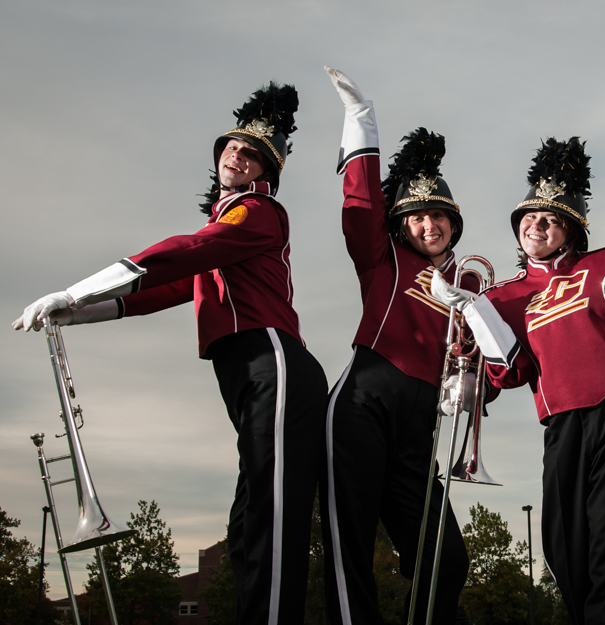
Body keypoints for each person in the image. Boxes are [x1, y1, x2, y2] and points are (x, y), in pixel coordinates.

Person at [12, 83, 329, 623]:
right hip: (250, 375)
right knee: (247, 529)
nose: (237, 153)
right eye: (231, 145)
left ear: (264, 173)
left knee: (272, 521)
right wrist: (77, 311)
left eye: (251, 153)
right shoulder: (225, 226)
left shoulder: (258, 212)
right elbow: (167, 288)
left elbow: (185, 252)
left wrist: (77, 287)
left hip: (273, 362)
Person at [432, 137, 605, 625]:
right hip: (562, 427)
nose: (536, 225)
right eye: (528, 218)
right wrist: (473, 309)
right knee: (564, 553)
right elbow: (511, 372)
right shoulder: (504, 296)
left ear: (572, 230)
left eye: (550, 219)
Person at [322, 67, 470, 625]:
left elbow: (488, 364)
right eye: (416, 216)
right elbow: (359, 209)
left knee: (446, 560)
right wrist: (362, 125)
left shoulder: (472, 282)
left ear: (453, 223)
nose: (428, 225)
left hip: (420, 430)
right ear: (401, 224)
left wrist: (471, 379)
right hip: (362, 406)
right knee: (349, 551)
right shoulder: (384, 260)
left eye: (438, 216)